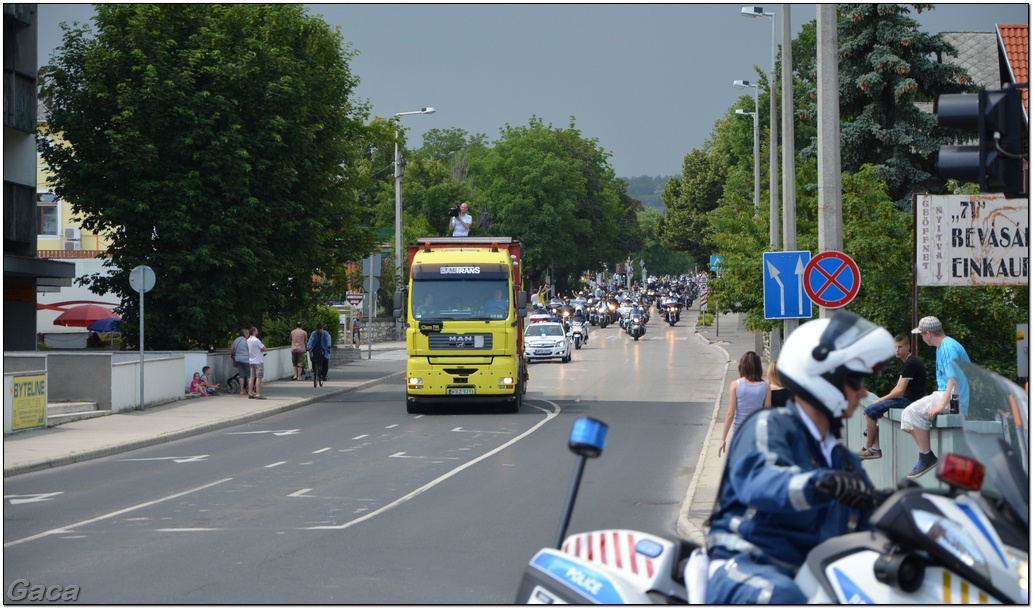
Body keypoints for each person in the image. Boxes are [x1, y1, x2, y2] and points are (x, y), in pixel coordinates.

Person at [705, 311, 894, 604]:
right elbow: (761, 479)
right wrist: (819, 483)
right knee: (783, 598)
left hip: (811, 573)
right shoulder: (770, 426)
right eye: (855, 381)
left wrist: (898, 510)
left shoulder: (845, 461)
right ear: (823, 379)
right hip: (745, 560)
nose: (863, 392)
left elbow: (869, 527)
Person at [900, 316, 970, 479]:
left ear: (929, 334)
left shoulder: (948, 348)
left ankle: (927, 456)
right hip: (947, 393)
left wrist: (940, 406)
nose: (922, 339)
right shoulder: (941, 347)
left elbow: (952, 381)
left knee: (912, 411)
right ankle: (926, 454)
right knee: (906, 416)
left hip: (955, 397)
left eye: (922, 335)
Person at [858, 333, 927, 460]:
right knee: (874, 410)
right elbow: (897, 387)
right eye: (895, 347)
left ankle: (867, 448)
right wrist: (881, 401)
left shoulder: (910, 363)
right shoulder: (907, 362)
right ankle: (875, 448)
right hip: (908, 398)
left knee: (869, 411)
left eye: (900, 347)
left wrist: (882, 399)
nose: (897, 350)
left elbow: (900, 391)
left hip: (910, 401)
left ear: (908, 347)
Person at [717, 351, 770, 457]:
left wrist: (723, 439)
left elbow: (730, 414)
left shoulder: (735, 385)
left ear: (742, 366)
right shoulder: (765, 386)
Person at [247, 326, 266, 399]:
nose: (257, 332)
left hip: (251, 361)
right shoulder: (256, 340)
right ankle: (258, 394)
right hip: (258, 361)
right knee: (258, 377)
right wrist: (261, 350)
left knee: (252, 377)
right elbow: (264, 348)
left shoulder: (248, 340)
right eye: (256, 331)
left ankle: (250, 393)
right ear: (254, 332)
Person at [231, 328, 250, 396]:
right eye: (247, 333)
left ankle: (241, 390)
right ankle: (250, 390)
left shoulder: (236, 340)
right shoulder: (246, 341)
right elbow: (250, 349)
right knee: (248, 375)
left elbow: (232, 349)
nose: (248, 335)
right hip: (246, 359)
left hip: (238, 359)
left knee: (241, 375)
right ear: (244, 334)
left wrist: (234, 355)